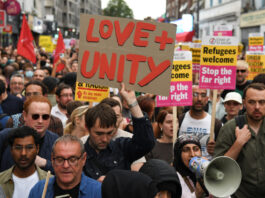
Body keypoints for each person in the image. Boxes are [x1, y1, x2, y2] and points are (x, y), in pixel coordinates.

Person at [83, 83, 155, 181]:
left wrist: (132, 102)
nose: (104, 139)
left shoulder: (122, 148)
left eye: (109, 133)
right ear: (87, 128)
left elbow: (146, 142)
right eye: (99, 133)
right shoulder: (78, 153)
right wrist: (93, 186)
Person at [214, 83, 265, 198]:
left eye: (262, 102)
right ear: (244, 103)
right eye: (252, 102)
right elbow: (218, 171)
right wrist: (238, 144)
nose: (257, 107)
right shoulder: (230, 128)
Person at [29, 135, 102, 198]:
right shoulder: (39, 190)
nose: (66, 165)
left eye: (72, 159)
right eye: (60, 159)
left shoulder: (98, 192)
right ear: (52, 159)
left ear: (83, 159)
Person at [0, 96, 59, 172]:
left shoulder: (55, 141)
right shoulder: (5, 136)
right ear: (24, 115)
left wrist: (46, 163)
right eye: (35, 116)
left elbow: (63, 170)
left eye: (45, 117)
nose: (40, 121)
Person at [0, 126, 48, 198]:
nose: (23, 153)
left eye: (29, 147)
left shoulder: (50, 182)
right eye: (18, 148)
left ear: (37, 149)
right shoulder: (1, 181)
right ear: (11, 150)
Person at [178, 85, 222, 158]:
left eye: (203, 95)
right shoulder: (179, 120)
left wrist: (216, 150)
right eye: (195, 94)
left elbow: (222, 151)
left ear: (207, 99)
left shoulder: (215, 123)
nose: (199, 99)